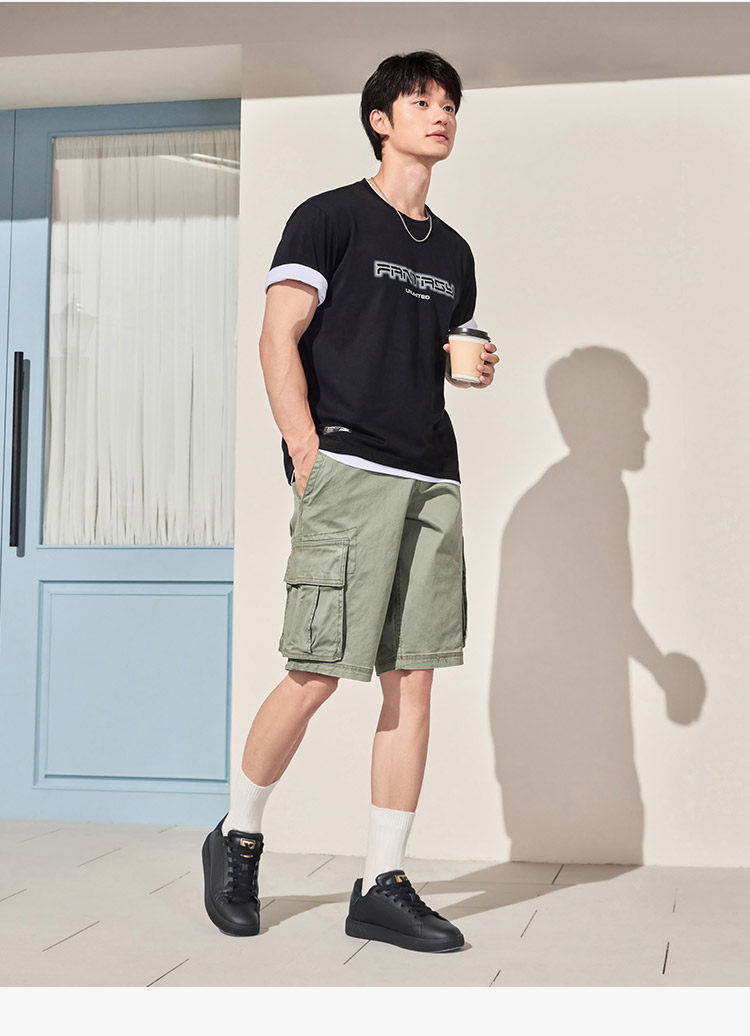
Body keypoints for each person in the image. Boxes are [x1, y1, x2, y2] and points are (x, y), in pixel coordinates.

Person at [202, 50, 499, 953]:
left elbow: (435, 351)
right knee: (317, 670)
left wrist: (475, 364)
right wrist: (305, 448)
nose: (440, 115)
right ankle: (238, 836)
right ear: (380, 119)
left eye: (450, 105)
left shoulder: (455, 252)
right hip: (348, 467)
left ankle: (380, 881)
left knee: (414, 680)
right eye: (422, 101)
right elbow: (278, 336)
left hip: (432, 479)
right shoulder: (328, 217)